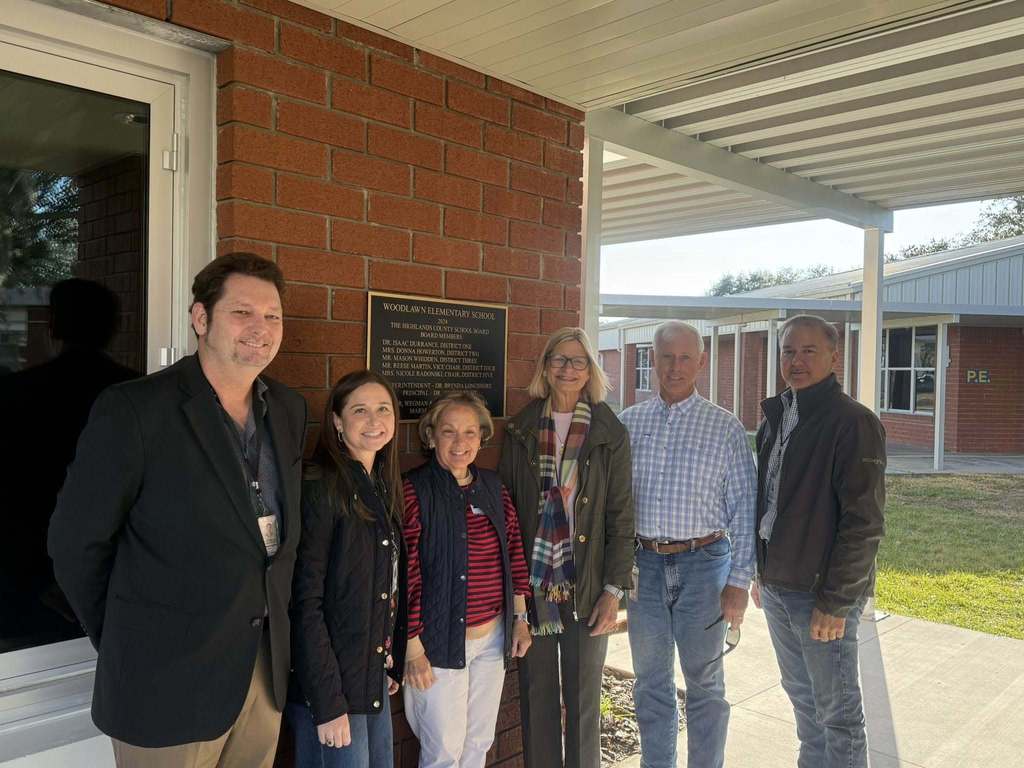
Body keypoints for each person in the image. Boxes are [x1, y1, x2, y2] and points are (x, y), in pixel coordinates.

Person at [47, 253, 307, 767]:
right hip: (164, 682)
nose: (261, 328)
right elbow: (76, 544)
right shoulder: (135, 410)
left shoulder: (287, 409)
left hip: (262, 675)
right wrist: (131, 637)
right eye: (242, 313)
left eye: (272, 315)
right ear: (200, 318)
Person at [619, 320, 756, 768]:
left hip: (705, 566)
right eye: (665, 357)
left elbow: (746, 508)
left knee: (705, 684)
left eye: (684, 358)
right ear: (652, 360)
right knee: (651, 681)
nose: (674, 367)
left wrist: (738, 583)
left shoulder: (725, 427)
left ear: (701, 362)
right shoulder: (628, 424)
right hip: (645, 566)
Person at [752, 314, 886, 768]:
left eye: (809, 351)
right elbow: (769, 502)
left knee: (839, 716)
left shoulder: (853, 423)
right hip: (777, 586)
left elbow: (863, 523)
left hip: (819, 595)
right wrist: (761, 570)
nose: (797, 360)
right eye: (789, 351)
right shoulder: (776, 417)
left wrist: (836, 600)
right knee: (805, 707)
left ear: (834, 357)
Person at [499, 327, 634, 768]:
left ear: (591, 369)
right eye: (559, 359)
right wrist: (517, 597)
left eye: (578, 361)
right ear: (545, 366)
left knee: (583, 702)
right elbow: (508, 515)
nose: (568, 369)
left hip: (588, 583)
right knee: (536, 696)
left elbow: (621, 515)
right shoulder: (520, 429)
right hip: (534, 585)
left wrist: (613, 591)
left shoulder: (609, 430)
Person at [0, 279, 137, 652]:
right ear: (113, 327)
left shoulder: (17, 392)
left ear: (54, 325)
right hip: (114, 581)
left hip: (26, 576)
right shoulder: (137, 393)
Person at [402, 391, 532, 768]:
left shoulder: (493, 487)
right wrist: (412, 646)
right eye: (449, 432)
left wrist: (521, 620)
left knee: (478, 741)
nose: (461, 443)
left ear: (481, 437)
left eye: (470, 432)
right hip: (437, 643)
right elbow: (405, 571)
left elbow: (514, 554)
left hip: (492, 640)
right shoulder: (414, 489)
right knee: (444, 750)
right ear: (431, 436)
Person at [287, 370, 407, 768]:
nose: (374, 422)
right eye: (360, 410)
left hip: (366, 676)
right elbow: (305, 601)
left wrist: (388, 654)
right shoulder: (321, 485)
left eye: (383, 409)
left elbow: (379, 584)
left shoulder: (380, 485)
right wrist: (327, 700)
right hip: (332, 689)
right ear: (337, 421)